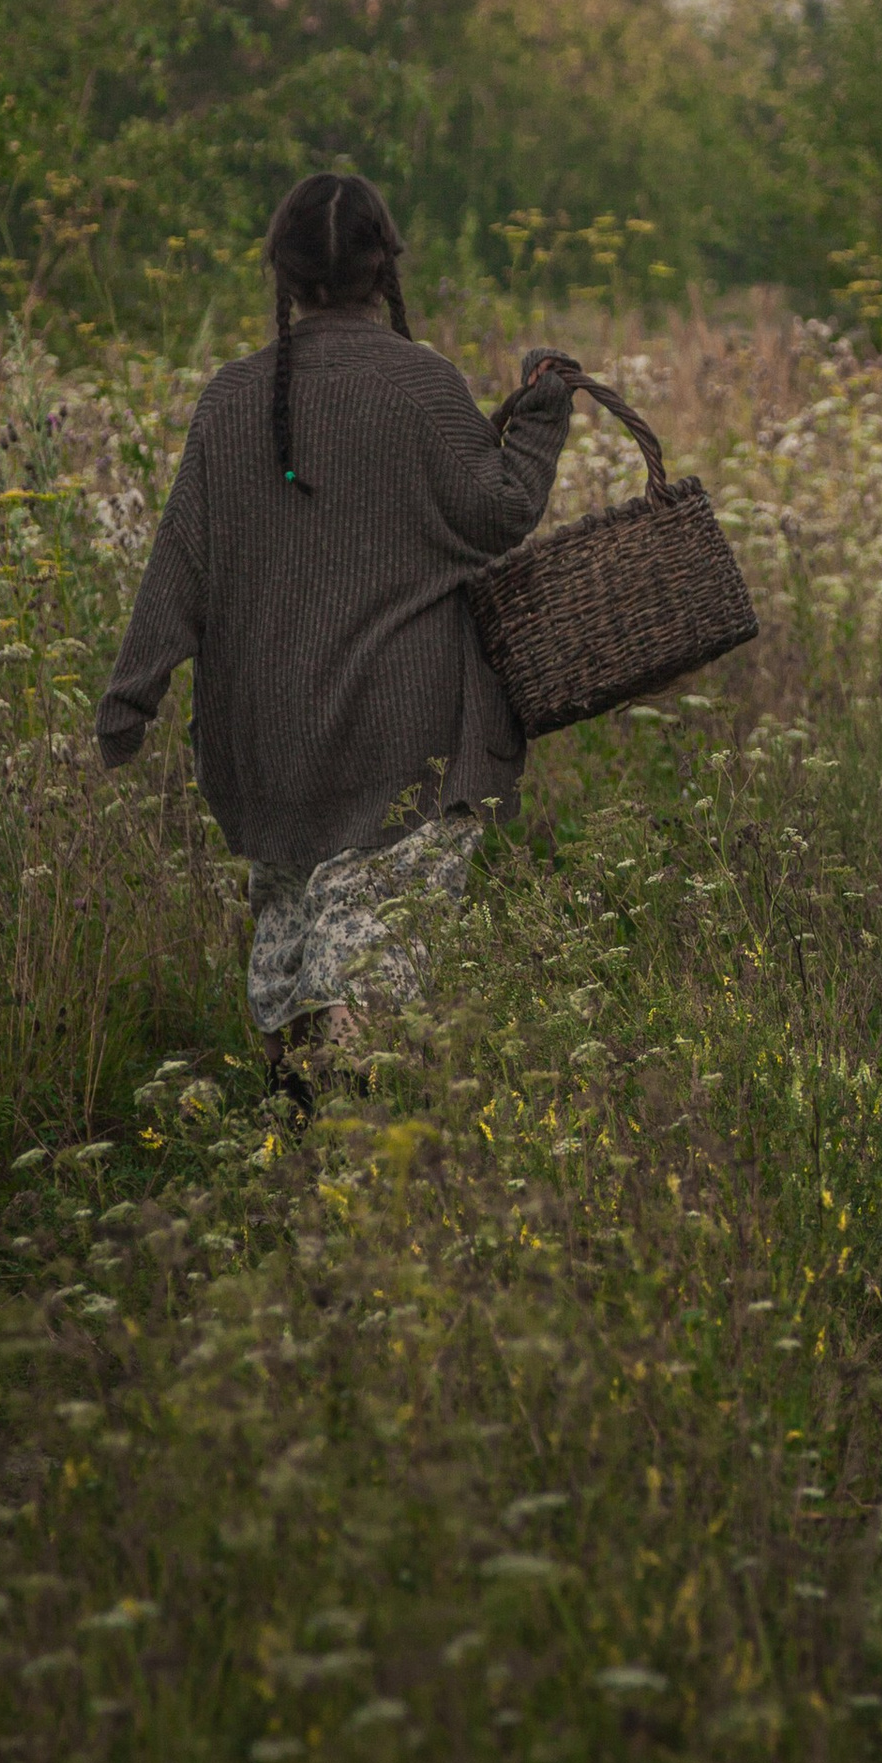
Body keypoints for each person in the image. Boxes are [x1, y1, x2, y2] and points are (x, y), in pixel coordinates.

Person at [94, 172, 575, 1098]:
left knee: (288, 954)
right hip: (404, 737)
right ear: (383, 266)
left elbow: (178, 564)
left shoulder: (232, 397)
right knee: (371, 960)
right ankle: (351, 1163)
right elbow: (503, 511)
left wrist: (130, 702)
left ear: (282, 273)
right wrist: (543, 413)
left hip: (264, 745)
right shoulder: (423, 385)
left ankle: (301, 1151)